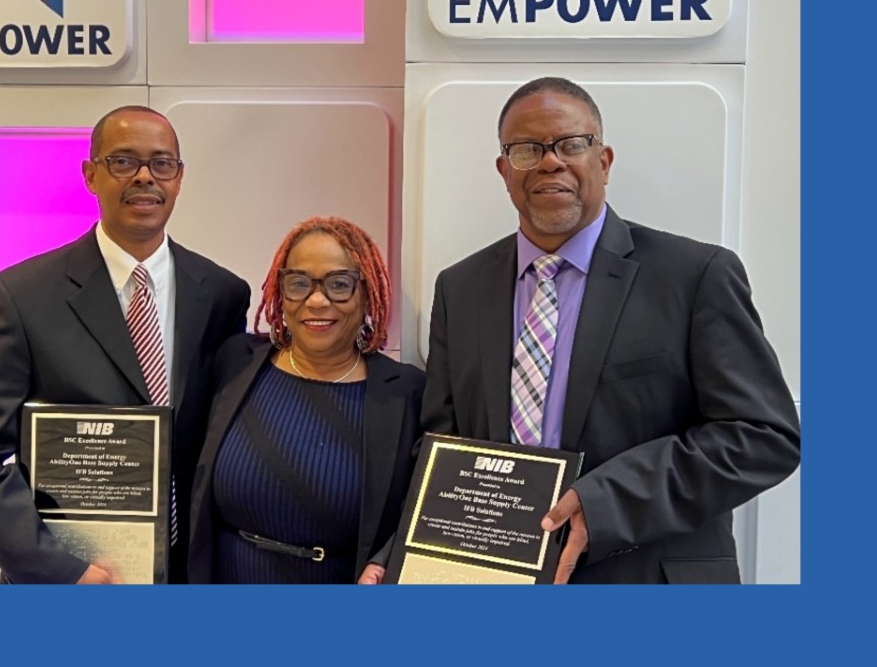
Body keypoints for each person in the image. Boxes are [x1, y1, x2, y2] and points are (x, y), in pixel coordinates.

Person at [408, 77, 799, 584]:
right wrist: (400, 555)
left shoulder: (694, 275)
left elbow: (762, 435)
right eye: (527, 149)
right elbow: (443, 448)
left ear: (604, 160)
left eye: (571, 144)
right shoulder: (460, 288)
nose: (550, 161)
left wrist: (606, 502)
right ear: (504, 170)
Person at [0, 105, 250, 582]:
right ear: (90, 174)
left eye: (161, 164)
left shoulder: (224, 295)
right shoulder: (23, 295)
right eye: (123, 162)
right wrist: (60, 571)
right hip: (69, 582)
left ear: (179, 178)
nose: (144, 178)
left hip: (189, 573)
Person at [186, 216, 421, 583]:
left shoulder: (407, 393)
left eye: (339, 284)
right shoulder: (236, 362)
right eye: (298, 283)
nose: (316, 300)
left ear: (368, 293)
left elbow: (421, 510)